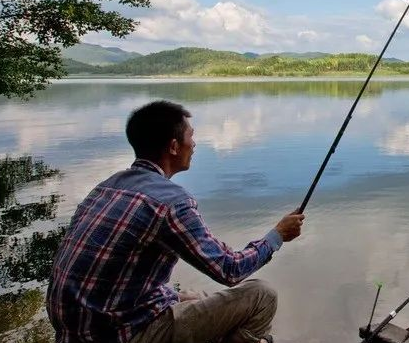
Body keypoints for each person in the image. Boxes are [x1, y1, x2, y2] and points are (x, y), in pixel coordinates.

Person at [46, 100, 304, 343]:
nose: (194, 144)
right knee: (261, 295)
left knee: (196, 296)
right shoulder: (170, 202)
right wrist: (278, 235)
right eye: (191, 136)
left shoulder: (108, 186)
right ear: (173, 146)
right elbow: (230, 271)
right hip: (120, 334)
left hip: (76, 329)